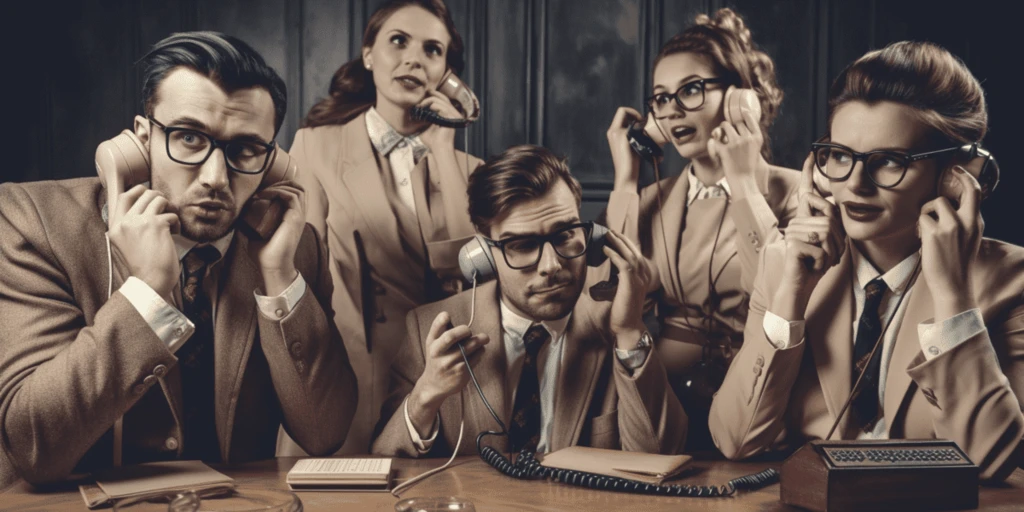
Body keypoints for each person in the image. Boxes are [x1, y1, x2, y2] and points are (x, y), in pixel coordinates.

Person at [0, 32, 357, 487]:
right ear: (141, 139)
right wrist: (146, 292)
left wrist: (280, 277)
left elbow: (325, 433)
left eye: (245, 149)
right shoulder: (32, 222)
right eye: (189, 138)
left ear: (273, 165)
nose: (215, 178)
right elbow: (33, 445)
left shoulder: (291, 246)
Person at [708, 41, 1024, 481]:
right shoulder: (785, 264)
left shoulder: (1011, 280)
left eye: (889, 161)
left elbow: (989, 461)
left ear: (955, 175)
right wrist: (792, 294)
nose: (855, 184)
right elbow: (736, 439)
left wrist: (953, 297)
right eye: (839, 156)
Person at [372, 145, 687, 457]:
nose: (551, 266)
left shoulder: (618, 326)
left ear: (590, 238)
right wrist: (426, 396)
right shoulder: (429, 328)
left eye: (564, 235)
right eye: (522, 244)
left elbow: (659, 456)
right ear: (483, 256)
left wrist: (630, 331)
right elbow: (385, 461)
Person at [289, 0, 482, 454]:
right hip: (342, 375)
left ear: (447, 76)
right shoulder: (314, 147)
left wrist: (444, 144)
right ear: (369, 55)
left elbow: (469, 276)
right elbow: (301, 276)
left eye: (432, 50)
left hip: (439, 377)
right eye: (399, 41)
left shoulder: (470, 171)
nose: (414, 58)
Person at [602, 8, 799, 450]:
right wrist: (626, 180)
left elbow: (775, 294)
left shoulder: (794, 193)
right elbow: (614, 292)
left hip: (756, 399)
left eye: (691, 91)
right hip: (661, 402)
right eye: (661, 98)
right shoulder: (651, 199)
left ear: (739, 100)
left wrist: (745, 186)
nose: (673, 112)